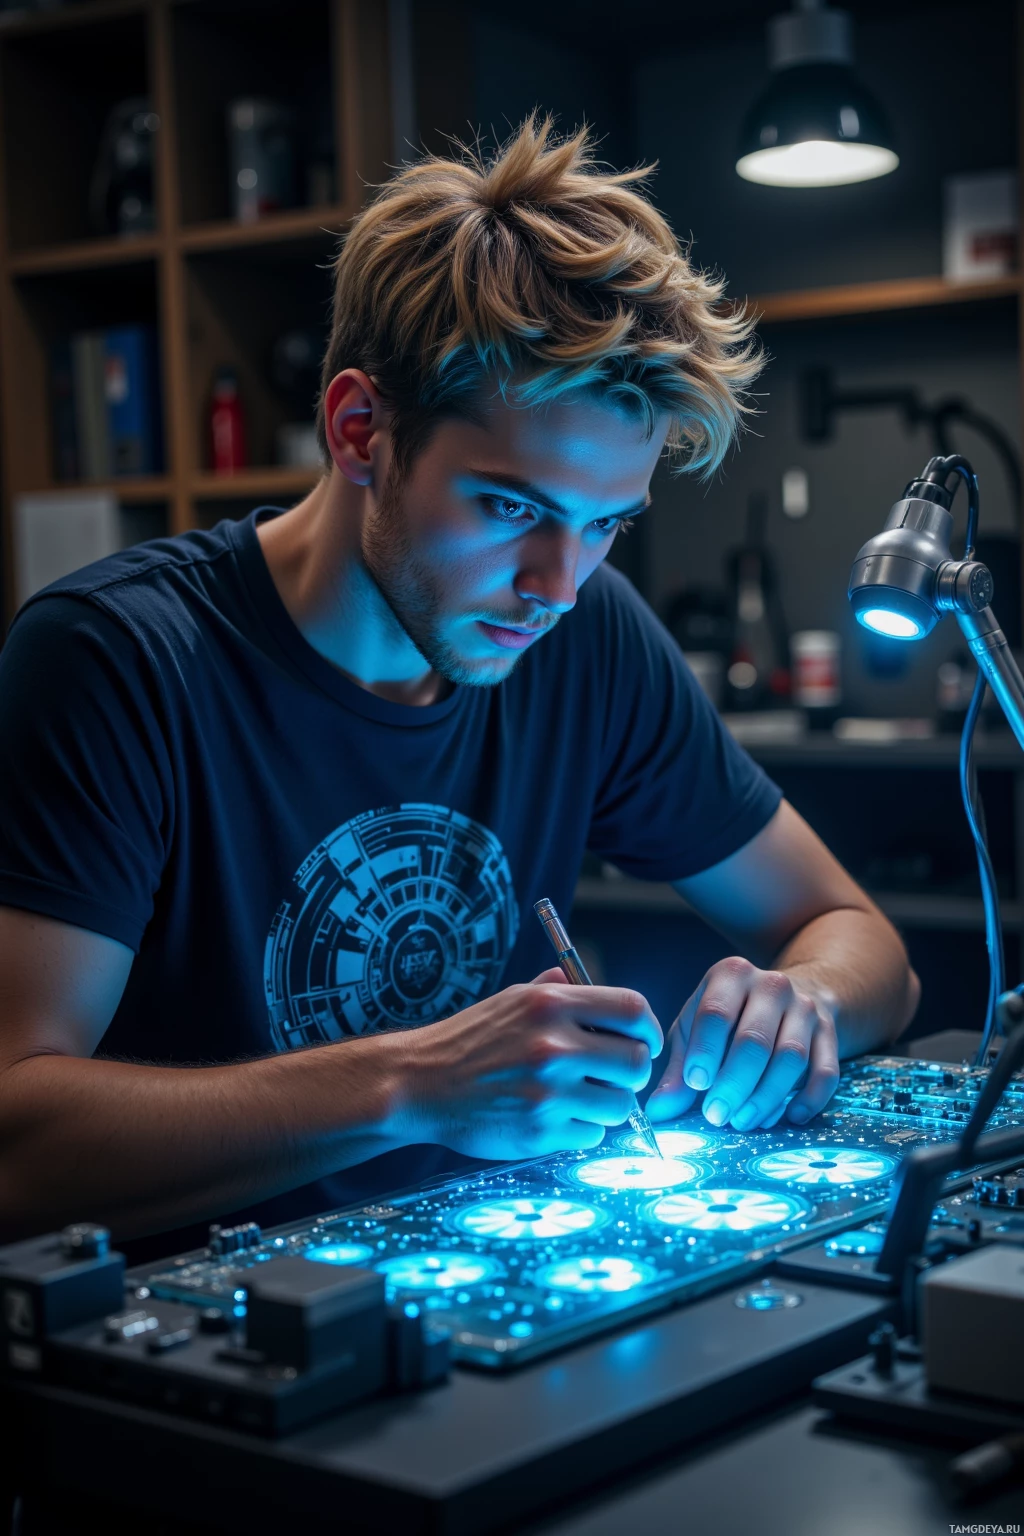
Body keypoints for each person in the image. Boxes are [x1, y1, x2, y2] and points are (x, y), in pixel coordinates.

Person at [0, 118, 918, 1250]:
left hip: (481, 1280)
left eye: (605, 527)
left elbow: (853, 935)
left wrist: (803, 1004)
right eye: (512, 508)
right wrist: (412, 1084)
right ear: (357, 430)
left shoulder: (585, 640)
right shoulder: (115, 661)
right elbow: (17, 1140)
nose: (556, 585)